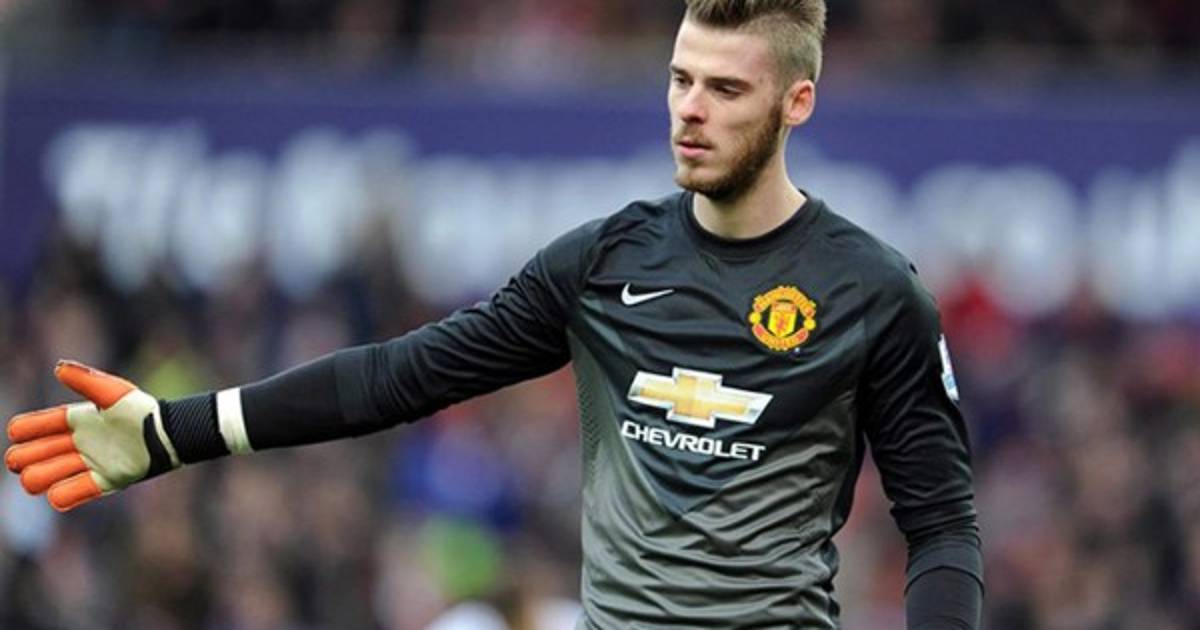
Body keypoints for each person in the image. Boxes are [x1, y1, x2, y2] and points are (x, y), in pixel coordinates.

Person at [5, 0, 983, 627]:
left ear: (796, 103)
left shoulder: (873, 293)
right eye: (681, 79)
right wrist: (173, 433)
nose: (690, 109)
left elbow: (941, 526)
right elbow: (401, 376)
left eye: (727, 89)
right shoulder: (603, 263)